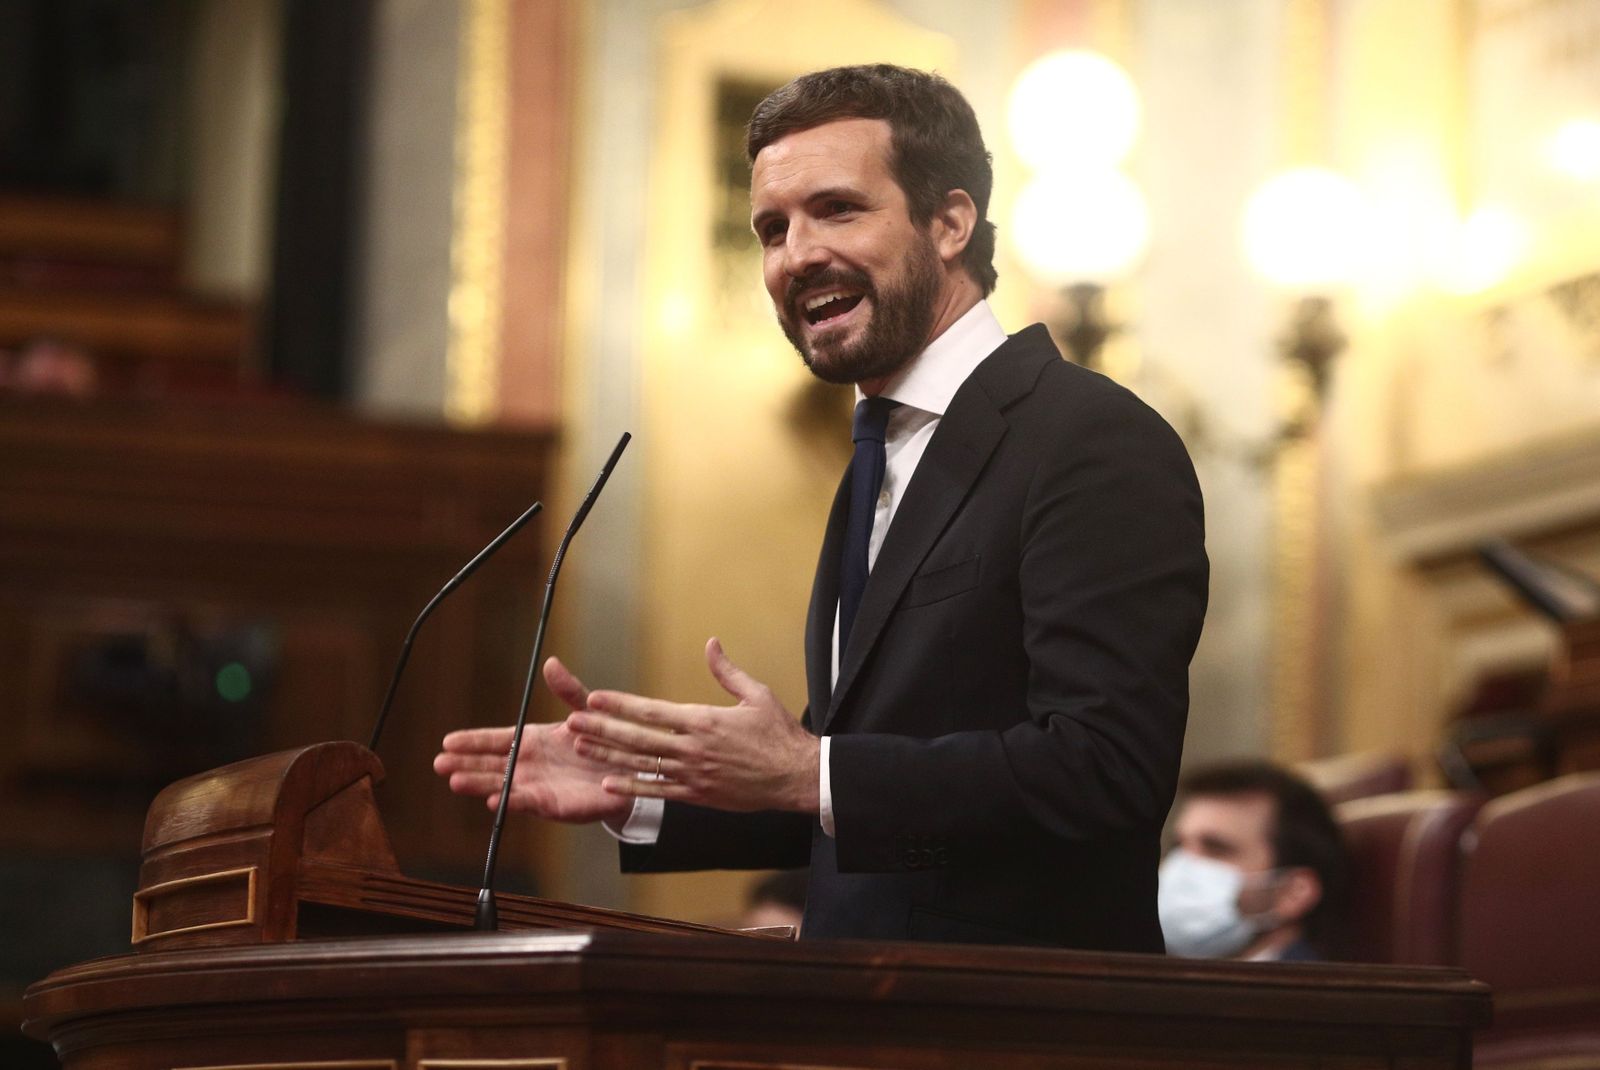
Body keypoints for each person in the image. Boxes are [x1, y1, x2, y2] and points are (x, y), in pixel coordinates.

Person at [435, 64, 1208, 951]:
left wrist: (813, 768)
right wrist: (650, 789)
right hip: (855, 1015)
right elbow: (862, 795)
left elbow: (1104, 770)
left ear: (950, 223)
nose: (795, 255)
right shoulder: (878, 454)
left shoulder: (1087, 438)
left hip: (1019, 1024)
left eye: (837, 209)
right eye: (773, 227)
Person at [1159, 760, 1351, 961]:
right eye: (1178, 846)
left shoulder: (1310, 991)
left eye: (1216, 849)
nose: (1182, 865)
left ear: (1292, 893)